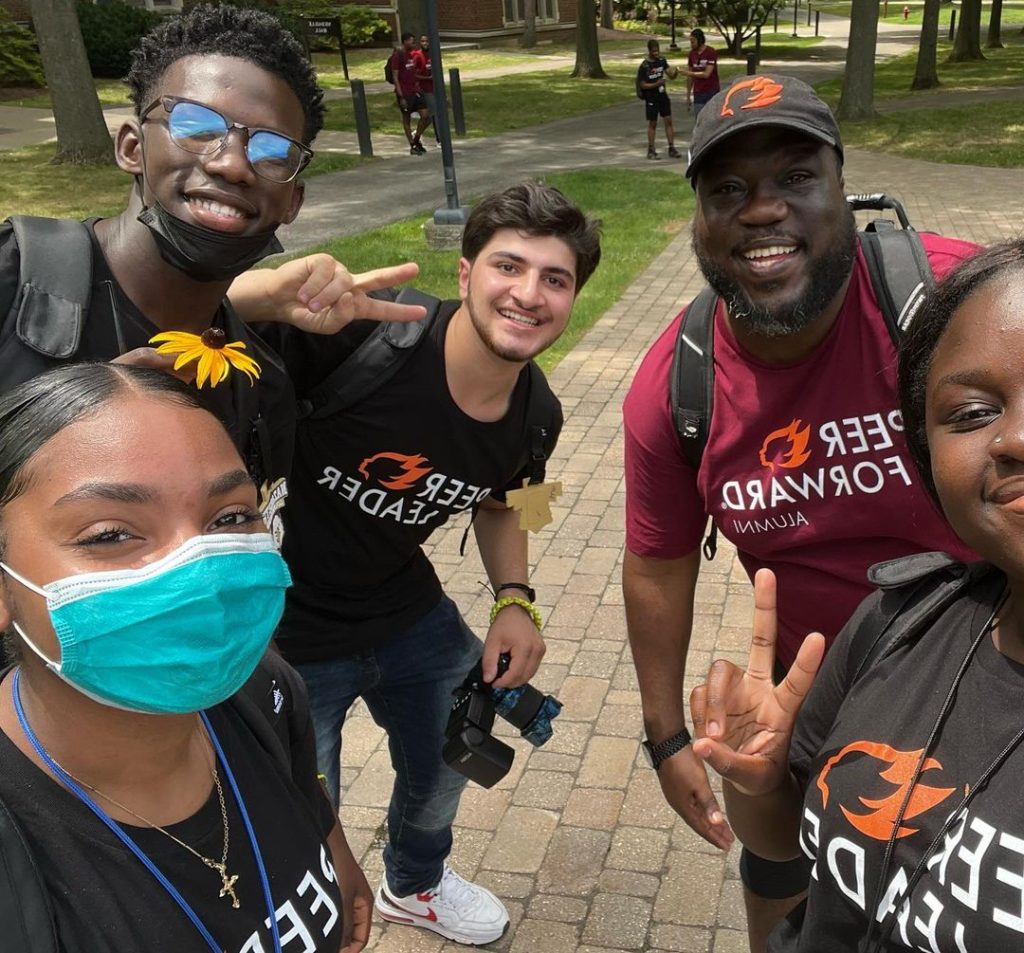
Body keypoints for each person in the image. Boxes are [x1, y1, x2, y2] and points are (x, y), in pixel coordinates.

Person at [622, 74, 979, 951]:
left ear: (842, 191)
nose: (761, 210)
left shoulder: (951, 303)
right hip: (811, 689)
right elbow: (657, 562)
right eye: (729, 191)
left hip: (987, 669)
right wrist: (666, 733)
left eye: (795, 177)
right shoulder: (678, 386)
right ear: (699, 222)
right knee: (785, 871)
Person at [262, 182, 602, 946]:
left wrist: (517, 598)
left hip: (407, 613)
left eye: (555, 279)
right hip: (283, 632)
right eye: (507, 267)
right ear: (464, 273)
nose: (528, 294)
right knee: (297, 804)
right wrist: (261, 294)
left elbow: (515, 501)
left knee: (449, 758)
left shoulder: (538, 412)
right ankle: (308, 906)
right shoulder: (361, 339)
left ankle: (414, 884)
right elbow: (201, 336)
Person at [689, 238, 1024, 952]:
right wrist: (756, 777)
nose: (1017, 437)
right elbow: (785, 841)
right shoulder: (899, 622)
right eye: (970, 413)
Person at [0, 4, 418, 542]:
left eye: (272, 151)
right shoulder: (14, 284)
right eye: (196, 126)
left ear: (292, 201)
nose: (232, 163)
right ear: (131, 146)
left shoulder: (257, 386)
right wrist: (66, 427)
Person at [0, 362, 372, 952]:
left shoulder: (261, 689)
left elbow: (305, 788)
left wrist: (335, 852)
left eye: (230, 517)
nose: (201, 571)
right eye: (110, 533)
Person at [636, 39, 681, 160]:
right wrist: (656, 84)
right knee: (653, 123)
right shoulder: (645, 66)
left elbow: (670, 75)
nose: (656, 53)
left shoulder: (662, 61)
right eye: (654, 51)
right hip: (651, 97)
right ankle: (651, 150)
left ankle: (672, 148)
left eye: (657, 50)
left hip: (662, 96)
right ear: (649, 50)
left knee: (668, 120)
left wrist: (676, 72)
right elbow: (642, 85)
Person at [389, 32, 432, 156]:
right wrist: (401, 96)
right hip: (405, 92)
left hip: (415, 91)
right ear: (405, 41)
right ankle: (412, 145)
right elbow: (396, 77)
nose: (414, 44)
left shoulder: (409, 55)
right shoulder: (398, 56)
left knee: (426, 116)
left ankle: (416, 139)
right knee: (406, 120)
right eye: (412, 42)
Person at [685, 28, 720, 116]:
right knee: (699, 118)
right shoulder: (691, 54)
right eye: (690, 42)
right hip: (698, 92)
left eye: (693, 42)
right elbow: (690, 76)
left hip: (711, 90)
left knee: (712, 118)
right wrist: (688, 94)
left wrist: (690, 73)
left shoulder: (710, 52)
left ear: (700, 40)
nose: (691, 44)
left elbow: (706, 74)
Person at [412, 35, 439, 143]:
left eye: (427, 41)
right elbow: (413, 74)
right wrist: (427, 78)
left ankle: (417, 133)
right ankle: (440, 140)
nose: (425, 43)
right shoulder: (418, 56)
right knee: (435, 113)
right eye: (422, 41)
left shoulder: (434, 54)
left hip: (434, 88)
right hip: (424, 89)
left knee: (428, 117)